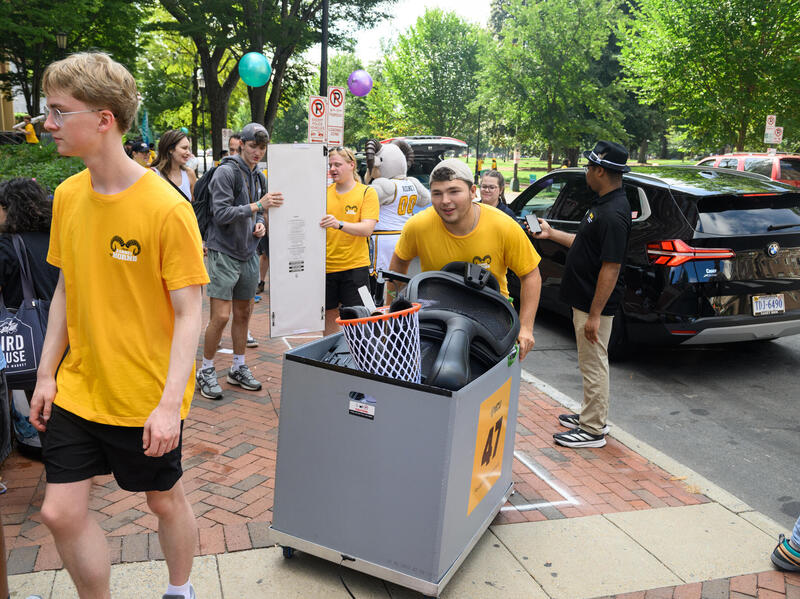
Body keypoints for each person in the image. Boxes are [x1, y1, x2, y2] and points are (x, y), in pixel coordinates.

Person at [30, 51, 208, 599]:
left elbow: (189, 312)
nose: (47, 124)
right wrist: (45, 375)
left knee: (162, 500)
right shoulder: (66, 196)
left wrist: (167, 404)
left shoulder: (165, 208)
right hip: (81, 388)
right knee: (59, 513)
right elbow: (65, 289)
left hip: (144, 393)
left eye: (59, 111)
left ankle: (179, 590)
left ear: (103, 119)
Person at [388, 158, 542, 360]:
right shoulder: (418, 226)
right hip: (435, 322)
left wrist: (526, 328)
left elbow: (531, 275)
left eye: (454, 191)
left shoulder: (503, 225)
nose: (445, 201)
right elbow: (397, 267)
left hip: (495, 323)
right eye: (437, 193)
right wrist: (390, 318)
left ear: (472, 192)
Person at [532, 140, 631, 449]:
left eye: (589, 167)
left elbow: (611, 268)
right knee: (589, 362)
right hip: (585, 301)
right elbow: (583, 243)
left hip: (593, 305)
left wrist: (596, 314)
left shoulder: (614, 213)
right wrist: (551, 234)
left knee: (593, 363)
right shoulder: (603, 203)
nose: (586, 172)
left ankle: (592, 430)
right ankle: (591, 414)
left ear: (600, 171)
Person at [197, 122, 283, 399]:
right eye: (253, 146)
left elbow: (257, 212)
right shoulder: (226, 171)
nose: (257, 152)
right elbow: (221, 214)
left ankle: (238, 367)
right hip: (223, 251)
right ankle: (206, 369)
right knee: (220, 316)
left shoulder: (258, 176)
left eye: (262, 148)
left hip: (248, 250)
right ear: (242, 143)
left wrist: (260, 223)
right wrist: (258, 207)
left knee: (244, 313)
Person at [321, 147, 379, 335]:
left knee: (360, 320)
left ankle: (361, 360)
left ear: (351, 165)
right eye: (330, 165)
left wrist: (339, 224)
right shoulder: (323, 193)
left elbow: (367, 229)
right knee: (329, 317)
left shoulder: (366, 192)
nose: (333, 169)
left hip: (355, 268)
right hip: (327, 268)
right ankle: (330, 359)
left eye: (338, 164)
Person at [0, 178, 60, 310]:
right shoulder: (56, 238)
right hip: (62, 323)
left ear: (8, 209)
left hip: (22, 327)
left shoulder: (7, 246)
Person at [151, 130, 197, 202]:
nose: (188, 153)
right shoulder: (153, 174)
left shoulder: (189, 173)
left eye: (189, 149)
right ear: (170, 149)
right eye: (184, 148)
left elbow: (194, 206)